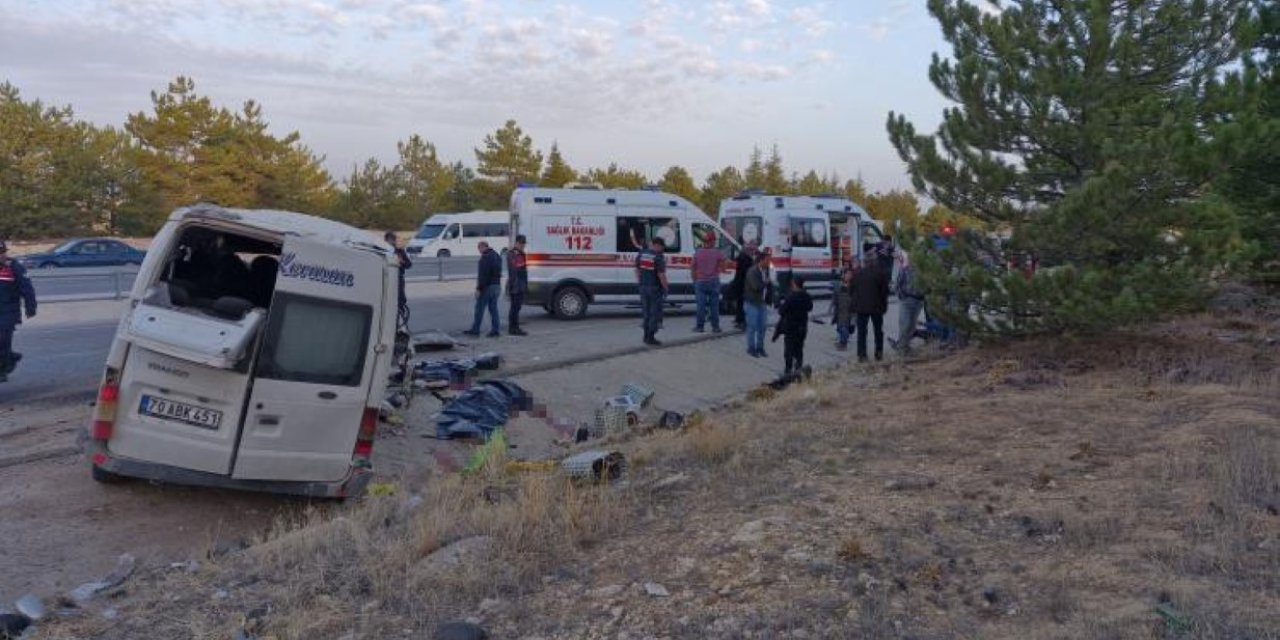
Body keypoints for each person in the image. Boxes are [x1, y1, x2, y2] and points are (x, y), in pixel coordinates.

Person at [0, 239, 37, 382]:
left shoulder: (14, 267)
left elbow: (27, 289)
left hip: (7, 312)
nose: (0, 255)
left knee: (2, 338)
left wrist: (31, 307)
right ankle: (10, 356)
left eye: (2, 252)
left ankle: (3, 367)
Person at [851, 255, 890, 362]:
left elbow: (852, 289)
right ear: (874, 262)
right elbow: (885, 292)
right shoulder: (880, 274)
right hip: (877, 307)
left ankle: (862, 354)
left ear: (864, 263)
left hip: (861, 307)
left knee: (862, 332)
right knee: (878, 331)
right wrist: (884, 305)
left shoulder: (858, 274)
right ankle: (878, 353)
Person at [773, 275, 813, 376]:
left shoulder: (791, 297)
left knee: (789, 350)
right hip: (802, 327)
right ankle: (798, 368)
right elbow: (810, 307)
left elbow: (781, 311)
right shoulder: (806, 296)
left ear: (794, 284)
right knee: (799, 349)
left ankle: (788, 370)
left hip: (791, 327)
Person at [464, 241, 502, 337]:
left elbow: (483, 275)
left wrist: (479, 289)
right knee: (493, 309)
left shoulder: (485, 258)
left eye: (479, 249)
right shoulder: (497, 256)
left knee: (479, 309)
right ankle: (496, 330)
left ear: (483, 247)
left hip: (487, 287)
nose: (479, 251)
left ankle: (475, 329)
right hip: (497, 286)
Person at [635, 237, 668, 346]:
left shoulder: (642, 254)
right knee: (654, 313)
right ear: (657, 245)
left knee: (646, 312)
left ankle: (645, 336)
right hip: (654, 288)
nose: (662, 250)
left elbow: (637, 270)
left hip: (643, 287)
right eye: (662, 247)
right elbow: (661, 275)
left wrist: (640, 283)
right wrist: (666, 287)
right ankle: (651, 337)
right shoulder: (658, 257)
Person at [893, 250, 925, 354]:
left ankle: (905, 346)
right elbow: (897, 285)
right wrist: (902, 297)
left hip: (918, 301)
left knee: (912, 326)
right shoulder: (905, 270)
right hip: (907, 300)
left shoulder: (924, 272)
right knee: (905, 324)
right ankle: (901, 347)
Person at [692, 233, 723, 333]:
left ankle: (700, 327)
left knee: (701, 306)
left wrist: (694, 279)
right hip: (714, 281)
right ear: (712, 241)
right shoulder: (717, 253)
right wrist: (719, 269)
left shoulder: (698, 253)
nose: (714, 243)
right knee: (714, 306)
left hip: (700, 282)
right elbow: (724, 264)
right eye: (714, 241)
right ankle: (715, 327)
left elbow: (693, 267)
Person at [742, 251, 771, 358]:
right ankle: (751, 348)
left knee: (762, 327)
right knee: (752, 326)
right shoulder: (752, 271)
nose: (769, 262)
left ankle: (760, 347)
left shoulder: (766, 270)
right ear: (761, 260)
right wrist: (766, 282)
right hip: (752, 303)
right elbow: (755, 286)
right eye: (767, 260)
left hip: (762, 302)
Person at [385, 231, 412, 328]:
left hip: (399, 279)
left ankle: (400, 323)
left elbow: (409, 265)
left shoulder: (400, 251)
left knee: (400, 300)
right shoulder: (383, 251)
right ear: (387, 240)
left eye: (394, 240)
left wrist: (402, 261)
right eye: (391, 240)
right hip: (387, 279)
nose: (393, 242)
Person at [730, 241, 756, 329]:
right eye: (751, 250)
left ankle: (741, 321)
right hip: (744, 284)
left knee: (740, 303)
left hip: (740, 283)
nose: (752, 251)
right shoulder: (748, 259)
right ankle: (742, 321)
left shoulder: (743, 257)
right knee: (742, 303)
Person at [506, 234, 529, 336]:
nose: (523, 245)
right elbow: (516, 269)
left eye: (523, 243)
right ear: (517, 243)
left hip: (520, 284)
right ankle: (513, 328)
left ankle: (515, 327)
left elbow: (523, 271)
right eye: (521, 243)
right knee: (514, 308)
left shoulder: (520, 253)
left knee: (517, 307)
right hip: (516, 285)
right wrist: (516, 286)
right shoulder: (513, 253)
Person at [831, 267, 855, 351]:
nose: (849, 276)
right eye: (847, 274)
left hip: (849, 310)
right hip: (840, 309)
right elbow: (835, 297)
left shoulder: (853, 286)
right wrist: (833, 307)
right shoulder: (839, 286)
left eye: (850, 274)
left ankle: (843, 344)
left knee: (845, 327)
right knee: (840, 327)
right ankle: (842, 341)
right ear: (843, 275)